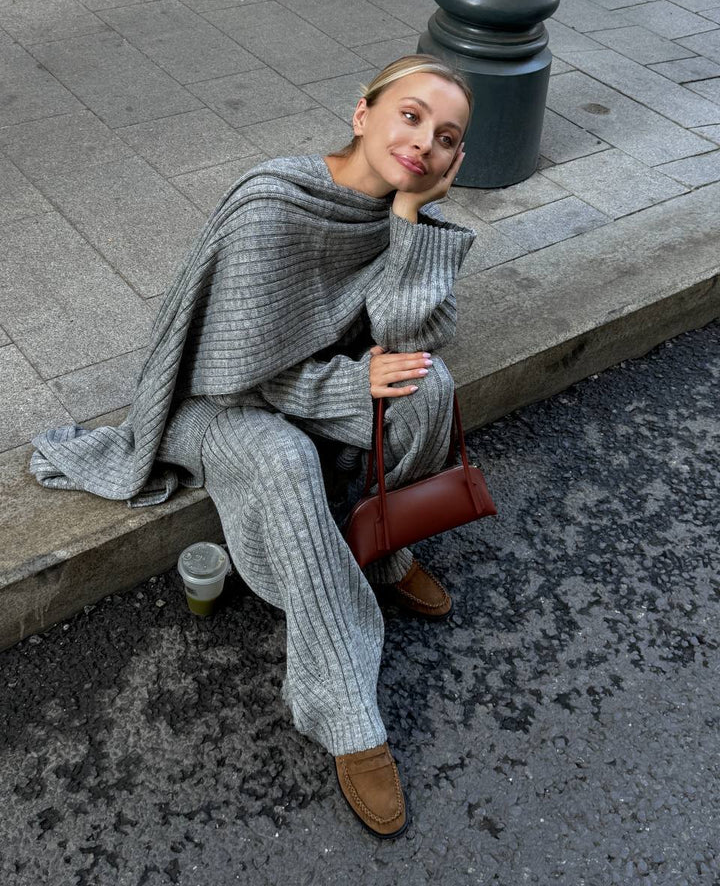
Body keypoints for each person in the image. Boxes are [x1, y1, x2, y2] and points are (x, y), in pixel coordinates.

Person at [29, 54, 477, 839]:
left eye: (446, 137)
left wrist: (409, 221)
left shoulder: (396, 213)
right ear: (362, 113)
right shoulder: (274, 201)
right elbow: (231, 377)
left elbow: (408, 338)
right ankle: (343, 708)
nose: (424, 143)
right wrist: (348, 388)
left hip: (307, 382)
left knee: (430, 385)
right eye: (409, 115)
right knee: (281, 459)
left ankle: (382, 542)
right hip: (206, 402)